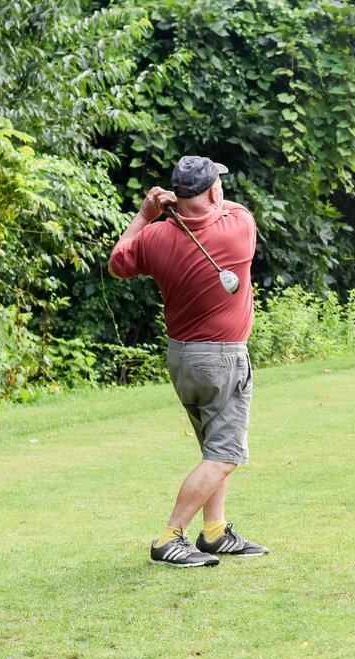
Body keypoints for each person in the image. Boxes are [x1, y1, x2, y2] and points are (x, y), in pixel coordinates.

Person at [109, 155, 269, 567]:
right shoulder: (239, 227)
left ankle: (214, 532)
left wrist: (147, 214)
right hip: (223, 360)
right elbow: (225, 208)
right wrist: (191, 206)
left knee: (211, 447)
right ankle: (170, 537)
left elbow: (118, 261)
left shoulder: (155, 236)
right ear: (214, 190)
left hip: (182, 358)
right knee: (225, 456)